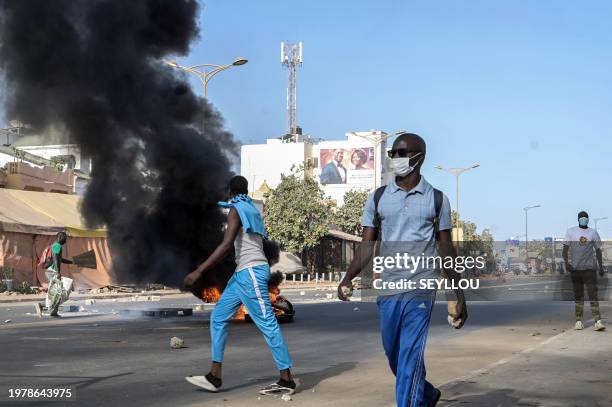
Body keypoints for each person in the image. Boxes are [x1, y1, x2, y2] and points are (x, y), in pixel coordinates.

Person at [337, 133, 468, 407]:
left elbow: (446, 249)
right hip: (388, 287)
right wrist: (347, 277)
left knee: (409, 355)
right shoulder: (379, 197)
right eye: (392, 154)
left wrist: (459, 293)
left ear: (418, 156)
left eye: (401, 153)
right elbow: (367, 244)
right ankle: (428, 394)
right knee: (394, 355)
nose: (395, 159)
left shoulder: (437, 200)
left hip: (421, 288)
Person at [183, 175, 296, 396]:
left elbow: (226, 245)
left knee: (268, 324)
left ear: (230, 191)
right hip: (241, 274)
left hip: (251, 273)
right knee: (218, 317)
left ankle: (287, 379)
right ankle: (214, 376)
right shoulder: (249, 207)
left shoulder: (237, 209)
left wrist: (199, 270)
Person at [563, 211, 606, 331]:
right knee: (578, 296)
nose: (583, 219)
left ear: (588, 219)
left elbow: (598, 251)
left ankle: (598, 321)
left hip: (590, 270)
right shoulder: (571, 231)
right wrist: (567, 264)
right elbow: (565, 249)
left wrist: (601, 266)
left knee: (593, 295)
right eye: (581, 217)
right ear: (578, 219)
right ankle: (578, 321)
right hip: (576, 270)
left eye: (585, 217)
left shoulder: (593, 232)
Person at [35, 231, 73, 318]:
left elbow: (59, 258)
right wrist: (58, 272)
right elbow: (55, 258)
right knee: (59, 291)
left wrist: (71, 262)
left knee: (57, 292)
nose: (65, 241)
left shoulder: (55, 246)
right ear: (60, 238)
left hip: (51, 271)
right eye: (64, 238)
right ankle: (47, 308)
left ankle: (51, 310)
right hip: (52, 271)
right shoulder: (57, 246)